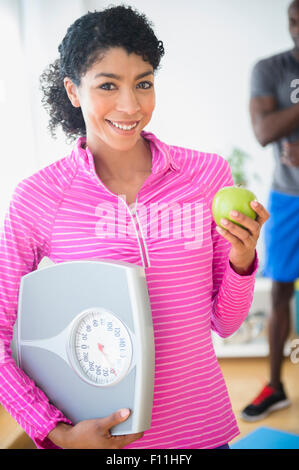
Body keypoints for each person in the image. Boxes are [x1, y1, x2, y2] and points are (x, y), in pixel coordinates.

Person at [0, 5, 269, 449]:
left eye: (143, 83)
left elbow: (225, 322)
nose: (131, 105)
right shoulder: (39, 197)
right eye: (108, 85)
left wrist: (242, 260)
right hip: (104, 438)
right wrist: (56, 431)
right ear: (73, 91)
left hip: (204, 430)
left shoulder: (204, 176)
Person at [241, 0, 299, 422]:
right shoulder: (270, 69)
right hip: (287, 197)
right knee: (280, 289)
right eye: (293, 21)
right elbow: (264, 132)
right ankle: (275, 386)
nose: (298, 29)